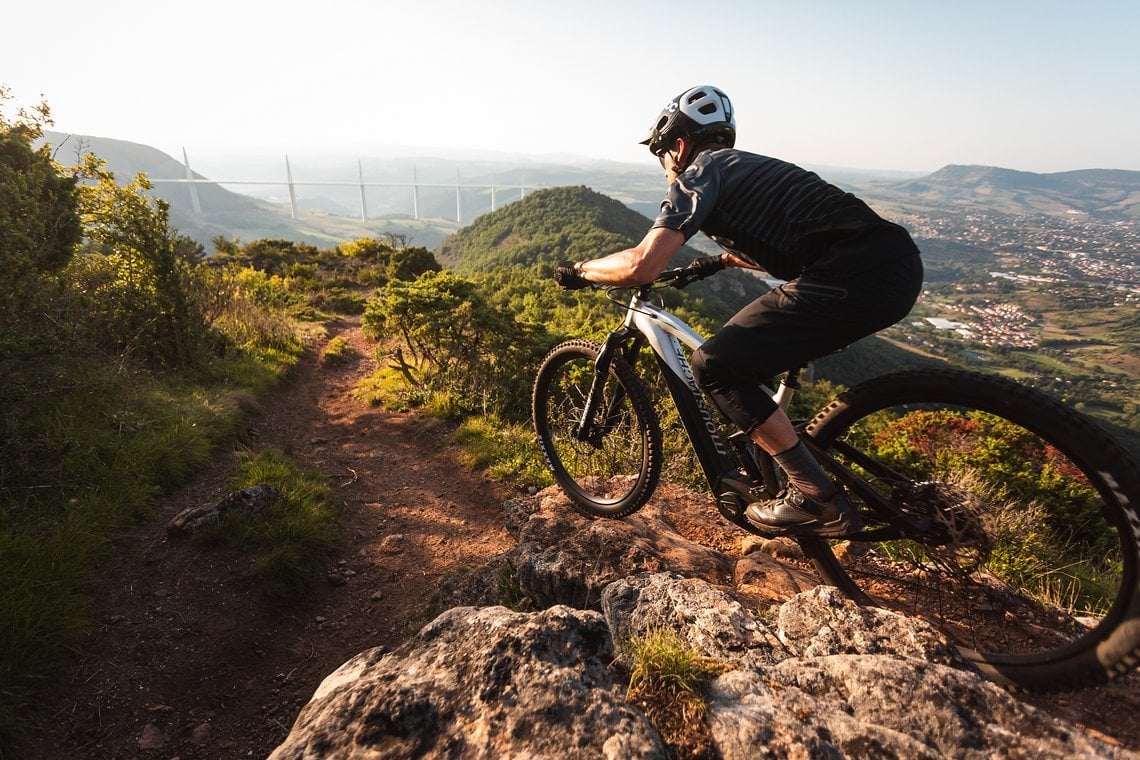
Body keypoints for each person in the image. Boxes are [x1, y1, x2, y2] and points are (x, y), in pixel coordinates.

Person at [554, 85, 923, 537]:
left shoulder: (698, 173)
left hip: (850, 275)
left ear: (680, 144)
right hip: (895, 266)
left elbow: (642, 264)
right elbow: (779, 240)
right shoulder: (749, 166)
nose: (664, 166)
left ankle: (815, 498)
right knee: (748, 361)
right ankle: (794, 471)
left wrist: (580, 271)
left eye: (662, 154)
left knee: (716, 365)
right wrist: (717, 261)